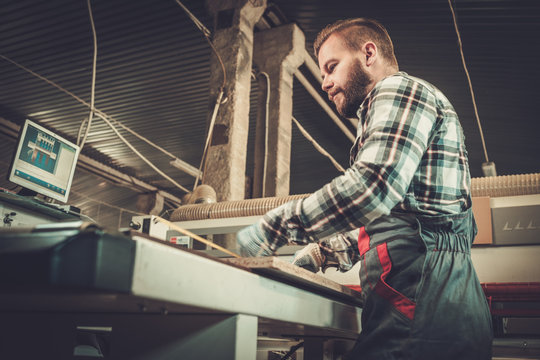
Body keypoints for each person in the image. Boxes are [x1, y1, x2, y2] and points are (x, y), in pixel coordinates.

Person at [237, 18, 493, 359]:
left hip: (424, 304)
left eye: (331, 67)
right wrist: (320, 253)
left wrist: (273, 227)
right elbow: (389, 217)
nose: (325, 82)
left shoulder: (398, 91)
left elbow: (371, 188)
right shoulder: (385, 112)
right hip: (431, 302)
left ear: (368, 53)